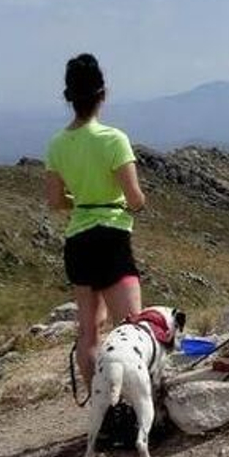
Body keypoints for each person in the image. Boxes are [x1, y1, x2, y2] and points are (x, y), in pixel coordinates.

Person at [45, 53, 147, 395]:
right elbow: (135, 198)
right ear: (102, 93)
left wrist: (83, 201)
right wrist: (128, 203)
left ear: (68, 98)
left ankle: (100, 408)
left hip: (77, 241)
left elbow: (55, 201)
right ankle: (134, 406)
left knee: (89, 331)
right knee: (132, 327)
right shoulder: (113, 139)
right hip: (112, 237)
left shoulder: (57, 144)